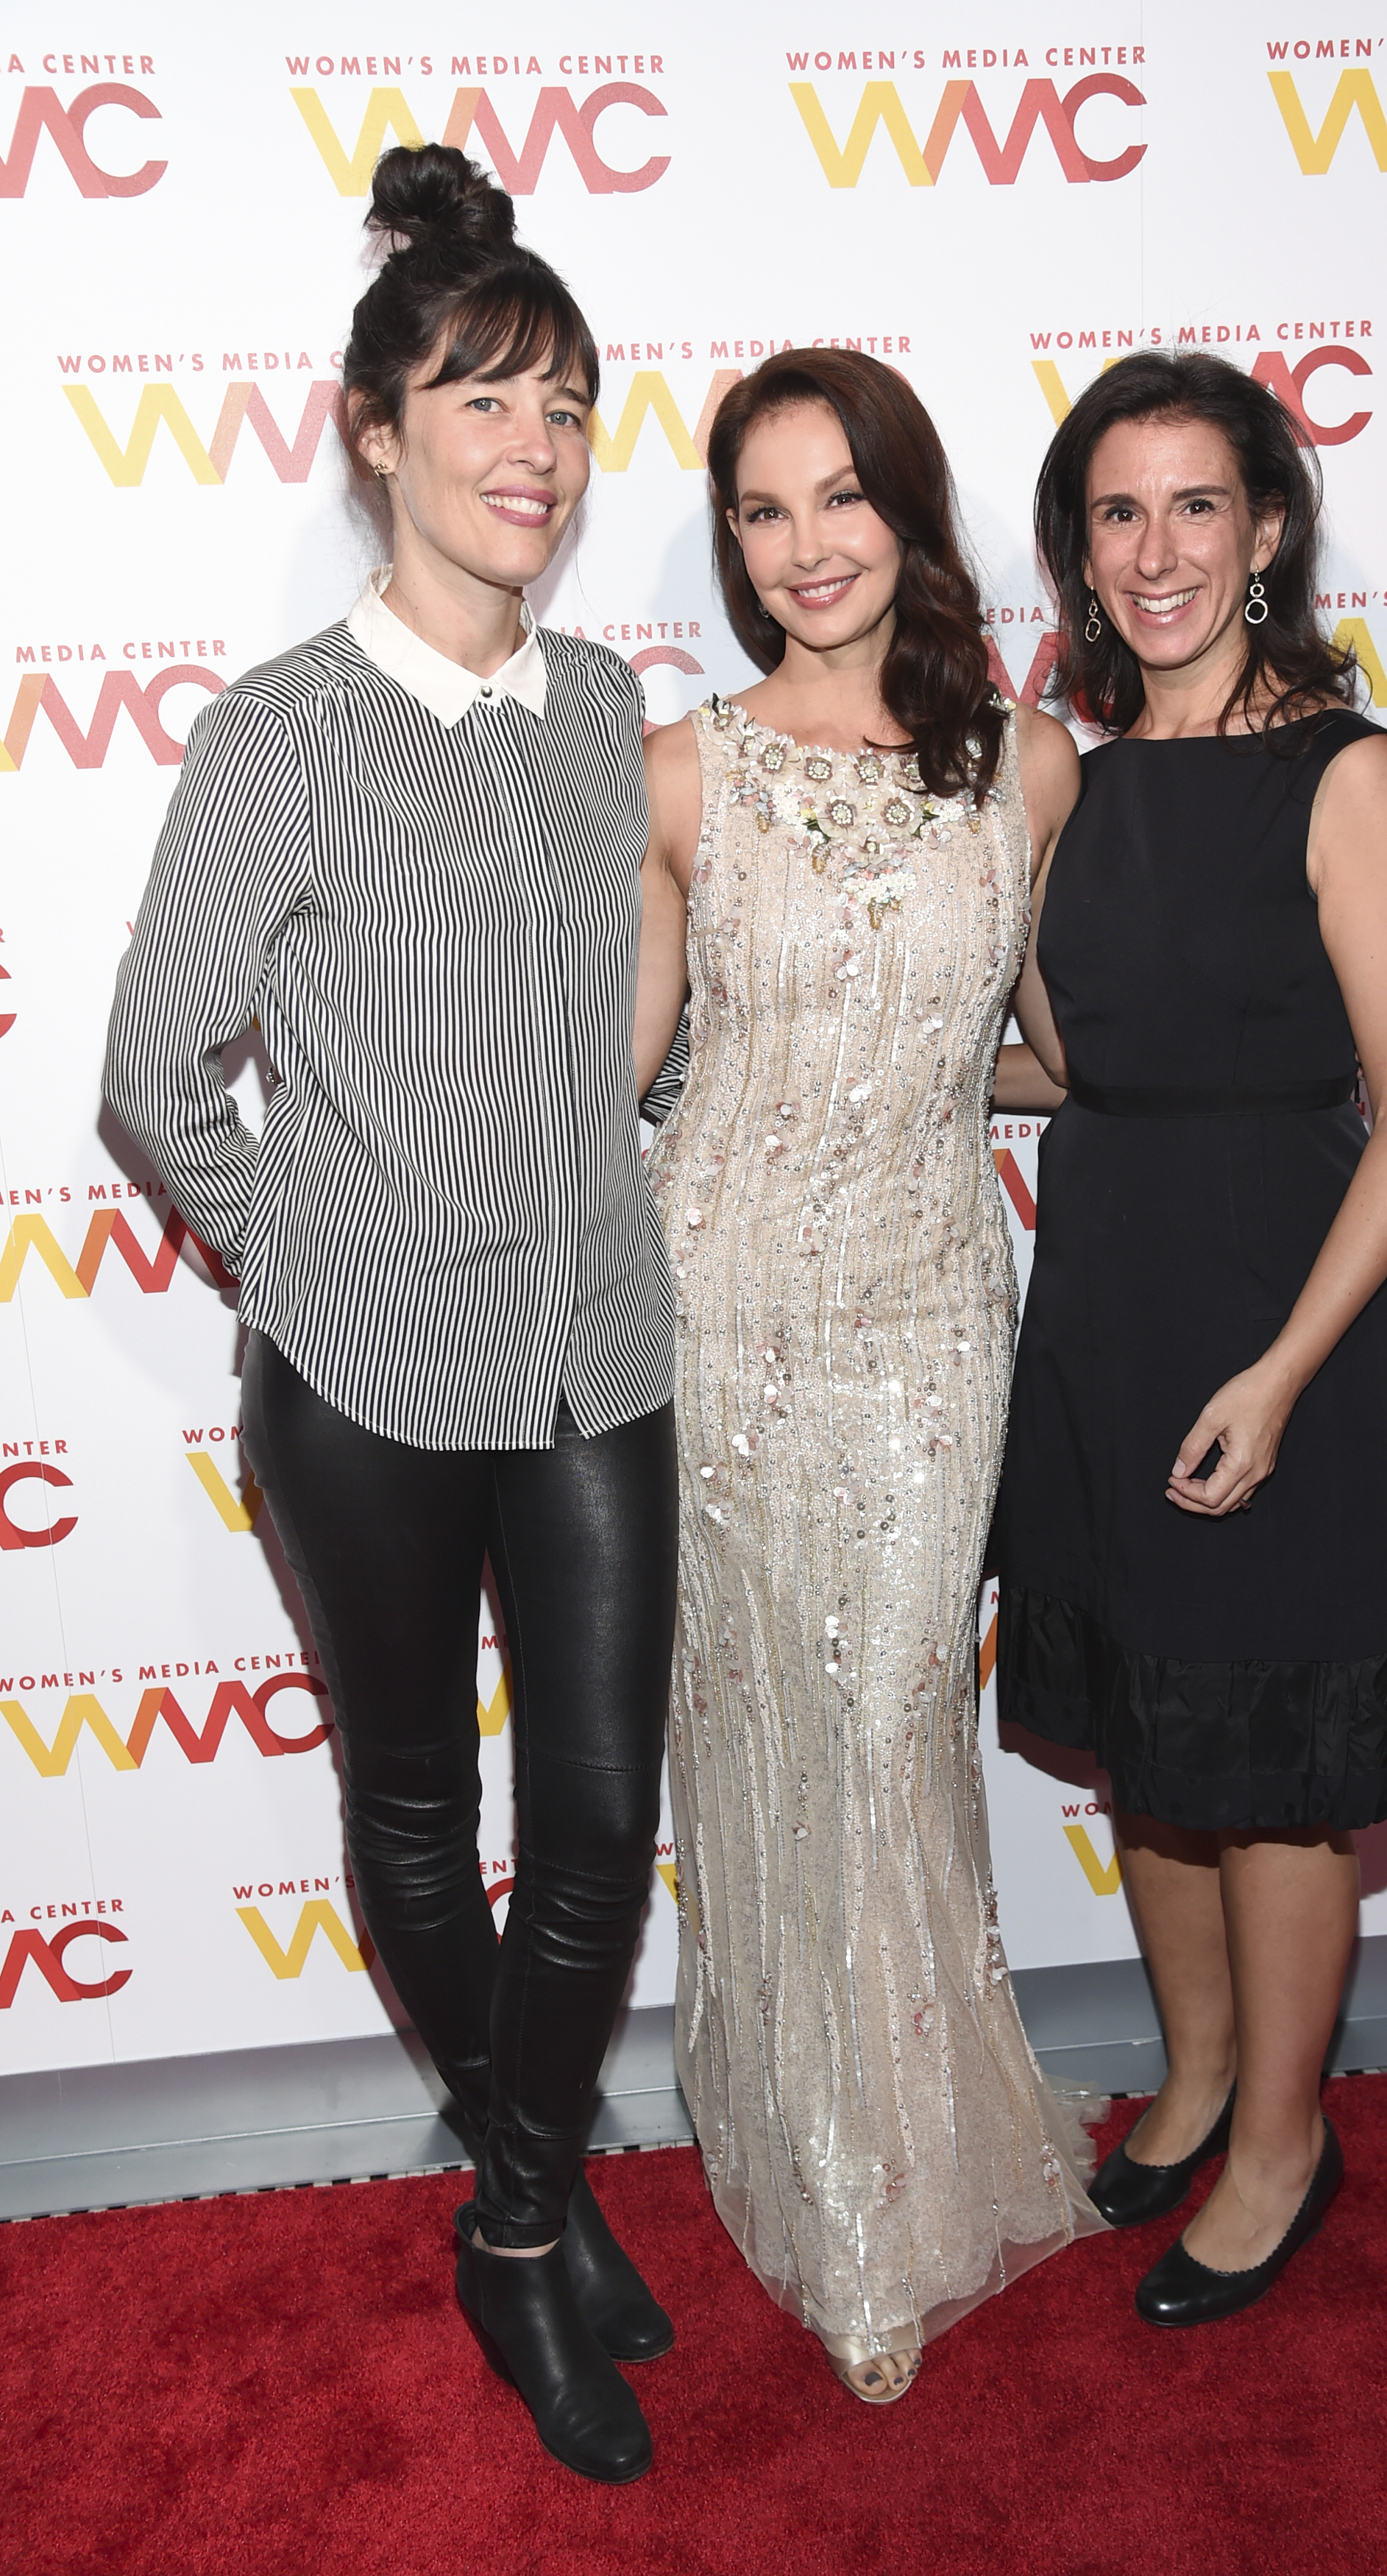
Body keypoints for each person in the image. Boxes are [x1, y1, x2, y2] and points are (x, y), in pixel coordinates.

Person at [104, 144, 678, 2483]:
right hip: (363, 1380)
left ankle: (515, 2209)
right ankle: (536, 2212)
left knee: (604, 1819)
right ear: (375, 431)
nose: (534, 448)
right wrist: (309, 1258)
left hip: (600, 1342)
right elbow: (156, 1071)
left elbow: (612, 1020)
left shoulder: (603, 705)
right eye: (482, 400)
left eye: (565, 405)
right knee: (421, 1813)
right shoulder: (284, 730)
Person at [634, 349, 1105, 2405]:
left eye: (841, 497)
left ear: (908, 514)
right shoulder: (678, 772)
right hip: (718, 1311)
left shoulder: (1030, 765)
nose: (805, 546)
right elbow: (629, 1065)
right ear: (731, 544)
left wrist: (925, 1075)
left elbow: (1055, 1052)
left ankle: (901, 2150)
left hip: (928, 1318)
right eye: (762, 510)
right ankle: (827, 2189)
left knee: (894, 1716)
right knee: (759, 1732)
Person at [992, 350, 1387, 2326]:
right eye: (1117, 512)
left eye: (1196, 504)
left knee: (1272, 1765)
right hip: (1107, 1303)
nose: (1157, 549)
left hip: (1290, 1320)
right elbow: (1068, 1064)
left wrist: (1279, 1377)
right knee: (1155, 1732)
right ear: (1078, 552)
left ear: (1265, 528)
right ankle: (1195, 2079)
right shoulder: (1078, 785)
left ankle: (1283, 2141)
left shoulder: (1346, 774)